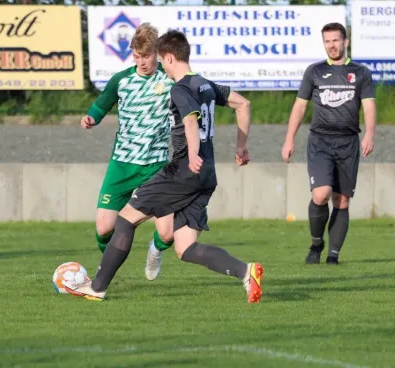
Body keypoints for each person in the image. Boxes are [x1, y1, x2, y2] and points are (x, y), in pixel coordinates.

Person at [65, 29, 264, 303]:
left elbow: (191, 121)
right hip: (207, 175)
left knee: (125, 220)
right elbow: (243, 104)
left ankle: (97, 287)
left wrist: (192, 154)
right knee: (186, 248)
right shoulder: (204, 84)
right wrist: (241, 146)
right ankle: (246, 271)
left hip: (182, 171)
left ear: (168, 58)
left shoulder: (180, 88)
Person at [81, 23, 175, 281]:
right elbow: (101, 106)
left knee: (167, 234)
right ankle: (108, 264)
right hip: (122, 164)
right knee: (103, 228)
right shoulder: (121, 80)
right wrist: (91, 118)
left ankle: (155, 250)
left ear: (156, 53)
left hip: (156, 167)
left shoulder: (169, 80)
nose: (142, 62)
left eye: (146, 56)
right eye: (137, 56)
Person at [281, 22, 376, 265]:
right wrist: (289, 139)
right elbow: (300, 106)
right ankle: (316, 244)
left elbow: (369, 105)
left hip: (348, 142)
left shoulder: (361, 72)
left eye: (335, 40)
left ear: (346, 42)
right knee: (321, 194)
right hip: (320, 141)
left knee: (342, 200)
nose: (331, 45)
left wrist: (369, 134)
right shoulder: (314, 72)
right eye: (327, 41)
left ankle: (333, 255)